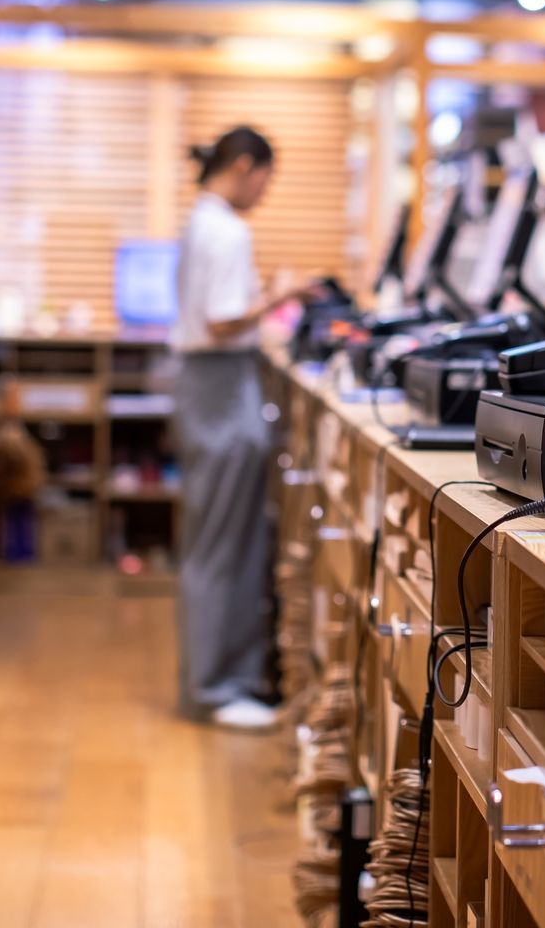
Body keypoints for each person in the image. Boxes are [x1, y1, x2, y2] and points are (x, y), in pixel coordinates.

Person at [172, 126, 310, 730]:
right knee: (222, 543)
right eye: (266, 179)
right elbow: (224, 320)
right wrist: (279, 294)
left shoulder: (204, 221)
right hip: (220, 384)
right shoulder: (225, 228)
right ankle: (214, 688)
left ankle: (231, 678)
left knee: (230, 538)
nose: (264, 192)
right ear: (246, 166)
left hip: (217, 386)